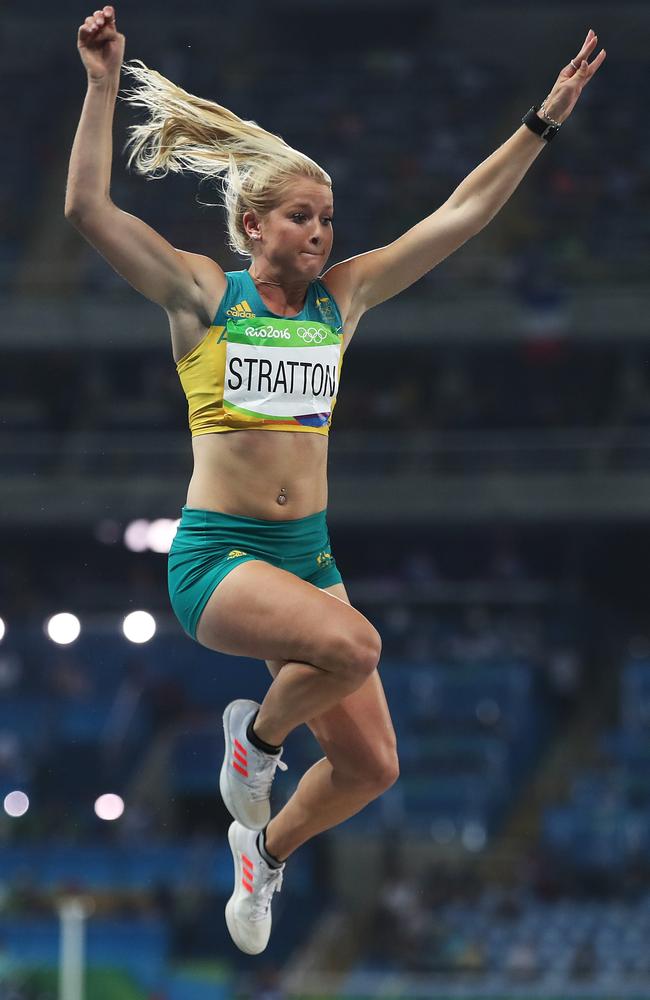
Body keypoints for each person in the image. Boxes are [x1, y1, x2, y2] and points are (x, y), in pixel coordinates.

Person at [65, 6, 605, 955]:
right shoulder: (203, 296)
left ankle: (264, 851)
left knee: (373, 766)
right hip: (219, 560)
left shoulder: (342, 300)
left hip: (305, 559)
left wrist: (543, 121)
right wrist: (103, 88)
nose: (321, 232)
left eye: (328, 219)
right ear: (251, 224)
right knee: (355, 647)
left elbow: (460, 215)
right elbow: (88, 212)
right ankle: (256, 739)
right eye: (302, 217)